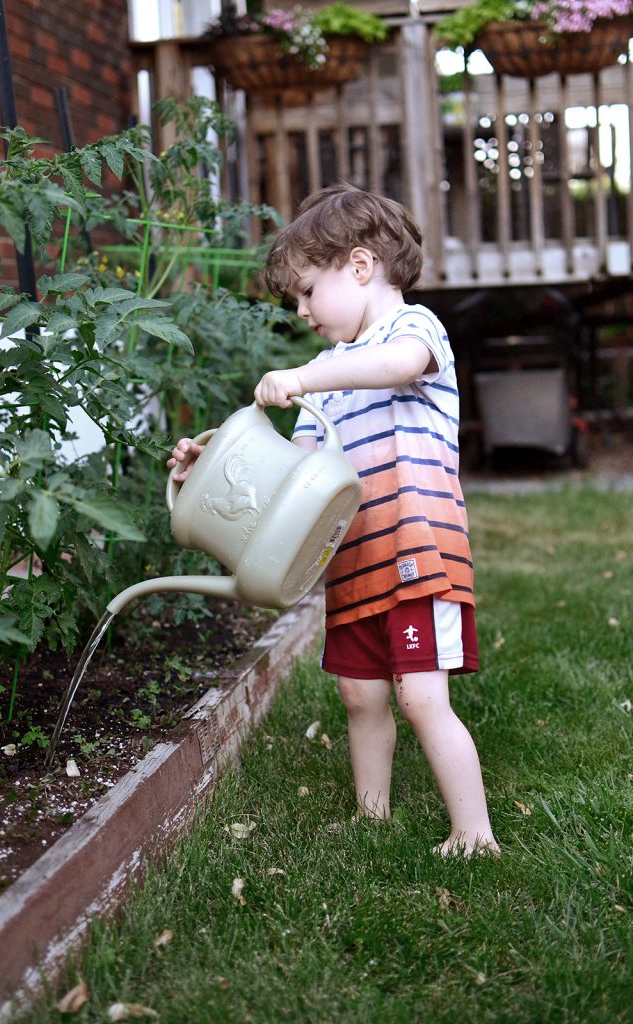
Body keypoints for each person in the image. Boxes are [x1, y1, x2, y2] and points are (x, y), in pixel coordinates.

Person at [168, 183, 498, 857]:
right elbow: (290, 470)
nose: (302, 312)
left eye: (306, 292)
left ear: (358, 267)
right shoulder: (325, 371)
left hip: (415, 548)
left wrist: (305, 379)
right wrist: (207, 465)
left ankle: (474, 832)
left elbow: (397, 366)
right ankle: (370, 814)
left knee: (420, 697)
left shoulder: (413, 331)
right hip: (351, 560)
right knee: (359, 694)